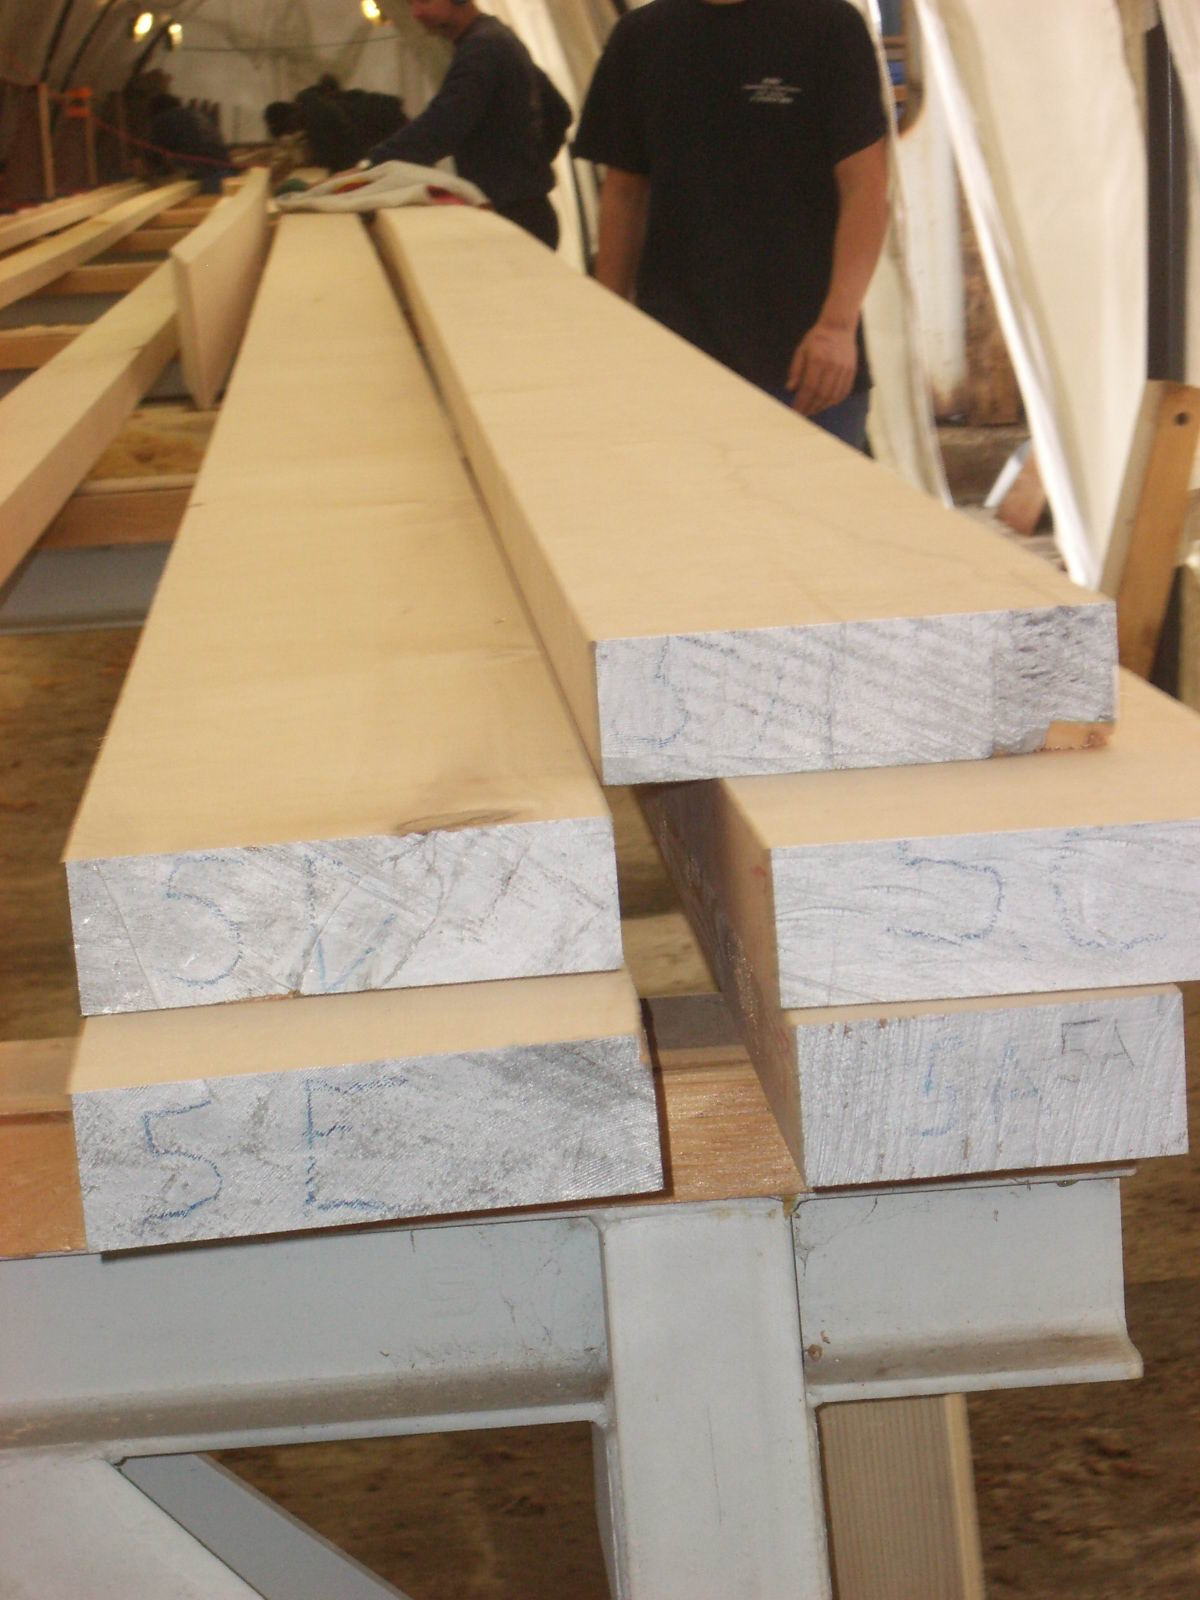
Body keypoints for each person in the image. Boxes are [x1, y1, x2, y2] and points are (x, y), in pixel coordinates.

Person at [573, 0, 890, 448]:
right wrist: (611, 322)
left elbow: (866, 187)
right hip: (677, 354)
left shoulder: (827, 26)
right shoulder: (640, 37)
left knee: (814, 493)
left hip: (804, 362)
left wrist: (837, 326)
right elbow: (624, 192)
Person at [364, 0, 573, 247]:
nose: (415, 13)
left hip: (512, 216)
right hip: (532, 210)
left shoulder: (481, 48)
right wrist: (528, 169)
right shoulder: (496, 36)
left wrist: (370, 168)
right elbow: (559, 112)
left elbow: (441, 126)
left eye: (424, 0)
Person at [147, 94, 236, 194]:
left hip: (206, 178)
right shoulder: (195, 114)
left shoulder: (163, 119)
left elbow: (152, 156)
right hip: (228, 173)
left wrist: (148, 175)